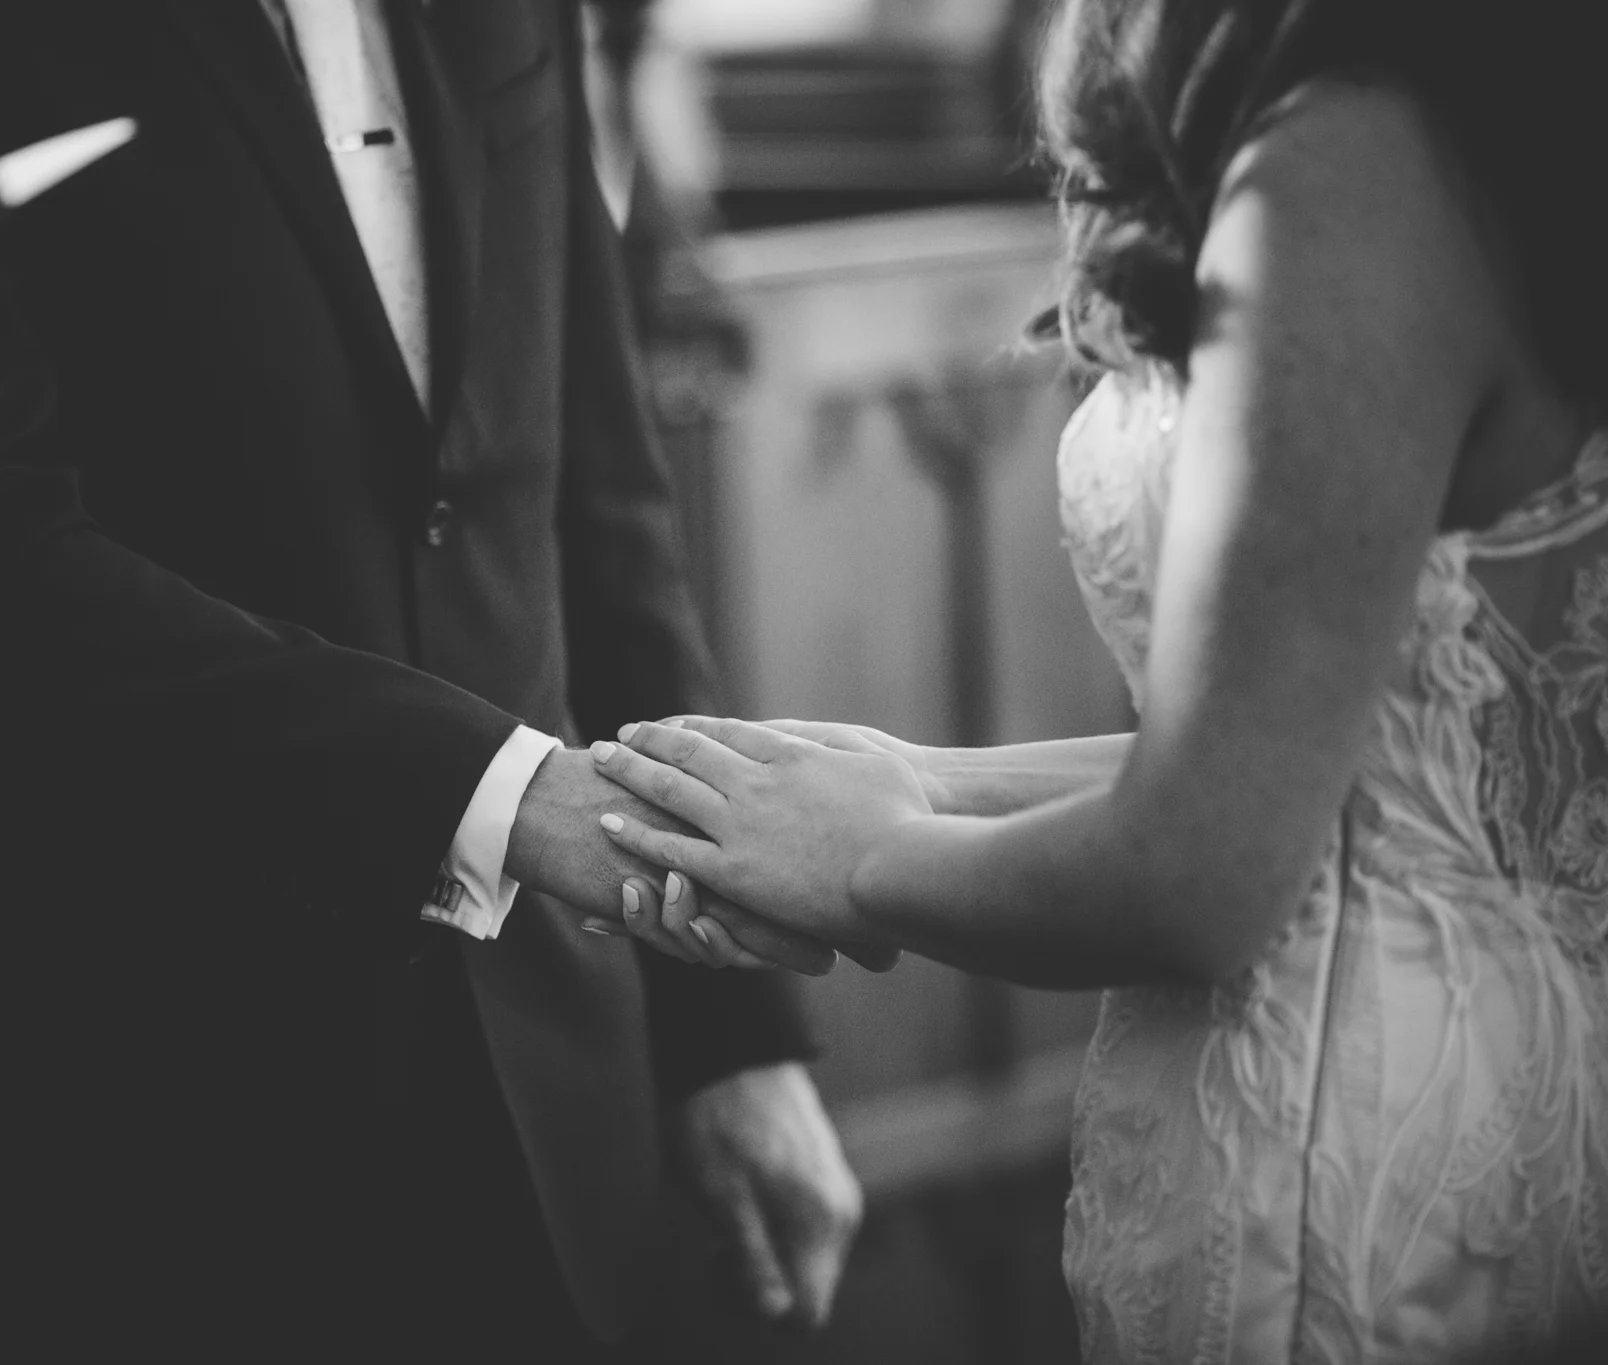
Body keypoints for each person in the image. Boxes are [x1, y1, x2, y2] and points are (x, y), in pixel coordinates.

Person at [0, 1, 863, 1359]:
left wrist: (725, 1034)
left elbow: (593, 485)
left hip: (546, 1106)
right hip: (88, 1115)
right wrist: (503, 798)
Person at [588, 0, 1608, 1359]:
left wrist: (866, 859)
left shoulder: (1347, 167)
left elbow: (1202, 872)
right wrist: (918, 782)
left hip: (1369, 1157)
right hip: (1501, 1077)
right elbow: (1339, 765)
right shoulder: (1485, 124)